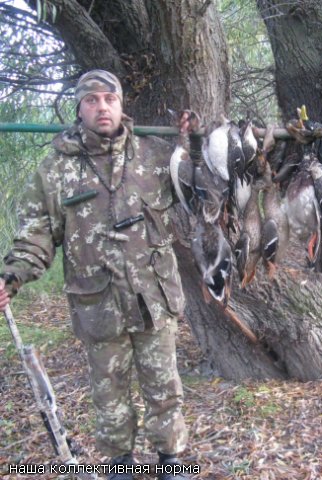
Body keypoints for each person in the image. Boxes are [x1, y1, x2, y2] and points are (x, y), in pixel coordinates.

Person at [0, 70, 191, 480]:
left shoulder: (156, 155)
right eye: (92, 100)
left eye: (109, 98)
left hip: (154, 297)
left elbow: (205, 189)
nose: (102, 107)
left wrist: (191, 140)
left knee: (164, 387)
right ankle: (119, 465)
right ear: (79, 108)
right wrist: (11, 277)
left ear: (121, 105)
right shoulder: (56, 169)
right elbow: (36, 234)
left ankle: (172, 461)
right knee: (109, 391)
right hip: (98, 302)